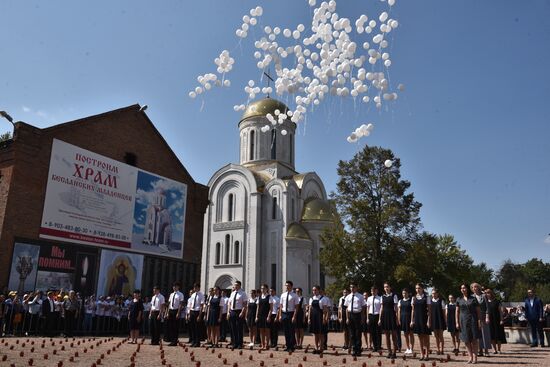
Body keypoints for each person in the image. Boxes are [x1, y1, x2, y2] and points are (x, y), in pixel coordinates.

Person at [457, 283, 481, 364]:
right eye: (461, 288)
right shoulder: (459, 299)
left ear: (467, 289)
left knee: (474, 339)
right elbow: (457, 312)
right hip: (463, 321)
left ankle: (475, 357)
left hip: (473, 320)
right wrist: (457, 322)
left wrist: (479, 321)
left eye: (464, 288)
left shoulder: (473, 299)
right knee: (466, 340)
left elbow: (478, 311)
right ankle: (470, 357)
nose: (463, 289)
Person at [278, 281, 300, 352]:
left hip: (291, 313)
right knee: (286, 331)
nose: (287, 287)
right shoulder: (283, 295)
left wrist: (294, 316)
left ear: (291, 286)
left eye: (288, 285)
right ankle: (287, 346)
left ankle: (291, 346)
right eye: (286, 285)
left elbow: (296, 307)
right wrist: (280, 315)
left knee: (291, 331)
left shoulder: (294, 295)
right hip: (284, 313)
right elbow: (281, 306)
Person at [410, 283, 431, 361]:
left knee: (426, 338)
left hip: (425, 319)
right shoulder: (413, 298)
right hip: (417, 320)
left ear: (422, 289)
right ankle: (421, 354)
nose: (417, 290)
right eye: (416, 288)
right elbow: (413, 310)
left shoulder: (427, 297)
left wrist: (429, 321)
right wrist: (412, 320)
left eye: (419, 288)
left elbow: (429, 310)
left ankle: (427, 355)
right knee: (419, 338)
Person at [379, 282, 399, 359]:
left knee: (394, 335)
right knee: (387, 336)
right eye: (385, 287)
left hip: (392, 316)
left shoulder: (394, 295)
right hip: (385, 316)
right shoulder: (382, 296)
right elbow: (381, 308)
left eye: (387, 287)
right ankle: (389, 352)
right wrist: (380, 319)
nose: (386, 288)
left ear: (390, 287)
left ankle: (394, 353)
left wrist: (397, 319)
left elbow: (396, 308)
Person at [345, 283, 365, 357]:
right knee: (352, 333)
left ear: (356, 288)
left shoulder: (360, 296)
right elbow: (347, 308)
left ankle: (358, 349)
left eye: (353, 287)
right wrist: (347, 318)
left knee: (358, 333)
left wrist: (362, 318)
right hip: (350, 315)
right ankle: (354, 349)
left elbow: (363, 307)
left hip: (358, 315)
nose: (352, 289)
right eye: (351, 287)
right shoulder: (348, 296)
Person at [308, 285, 329, 354]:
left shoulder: (323, 298)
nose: (314, 291)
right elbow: (310, 309)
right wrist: (309, 318)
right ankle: (316, 347)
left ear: (319, 290)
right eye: (313, 290)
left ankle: (321, 347)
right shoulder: (311, 298)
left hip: (320, 316)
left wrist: (324, 318)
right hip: (313, 316)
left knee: (321, 333)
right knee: (315, 333)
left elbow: (325, 310)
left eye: (315, 290)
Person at [471, 283, 491, 357]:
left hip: (483, 316)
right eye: (473, 287)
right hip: (475, 317)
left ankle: (486, 350)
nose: (474, 288)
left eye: (476, 287)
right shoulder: (471, 297)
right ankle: (480, 350)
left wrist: (487, 316)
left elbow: (487, 307)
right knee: (477, 334)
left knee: (484, 333)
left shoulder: (484, 296)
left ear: (478, 288)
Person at [227, 280, 248, 349]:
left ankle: (240, 344)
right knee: (233, 328)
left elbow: (245, 304)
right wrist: (228, 311)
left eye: (236, 285)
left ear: (239, 286)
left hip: (239, 312)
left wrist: (242, 312)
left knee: (239, 328)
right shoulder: (232, 293)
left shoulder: (243, 293)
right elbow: (229, 303)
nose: (235, 286)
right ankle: (235, 343)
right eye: (235, 285)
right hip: (232, 311)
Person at [485, 288, 506, 353]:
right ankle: (494, 349)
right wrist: (487, 318)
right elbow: (486, 312)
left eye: (488, 293)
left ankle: (499, 349)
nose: (487, 294)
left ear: (491, 293)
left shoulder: (497, 301)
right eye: (486, 293)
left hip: (497, 319)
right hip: (490, 320)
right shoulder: (486, 302)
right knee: (492, 335)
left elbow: (500, 311)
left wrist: (501, 319)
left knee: (498, 335)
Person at [256, 284, 274, 350]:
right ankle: (262, 344)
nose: (262, 290)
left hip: (266, 316)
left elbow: (271, 308)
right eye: (261, 288)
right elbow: (258, 307)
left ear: (267, 289)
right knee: (261, 331)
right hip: (260, 316)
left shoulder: (269, 297)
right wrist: (256, 316)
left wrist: (269, 316)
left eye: (264, 288)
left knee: (267, 331)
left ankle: (267, 344)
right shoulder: (259, 297)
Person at [166, 282, 184, 346]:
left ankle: (175, 341)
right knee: (171, 326)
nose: (174, 287)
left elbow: (180, 304)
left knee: (175, 326)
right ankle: (172, 340)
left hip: (176, 310)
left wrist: (178, 313)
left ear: (178, 287)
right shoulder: (171, 294)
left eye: (175, 286)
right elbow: (169, 304)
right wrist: (167, 312)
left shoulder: (180, 294)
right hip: (171, 310)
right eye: (173, 286)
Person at [187, 283, 205, 347]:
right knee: (193, 327)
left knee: (197, 328)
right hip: (192, 311)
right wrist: (189, 313)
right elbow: (190, 304)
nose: (195, 288)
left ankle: (197, 342)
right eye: (194, 287)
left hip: (197, 312)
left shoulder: (201, 295)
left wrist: (199, 315)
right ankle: (193, 341)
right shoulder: (193, 295)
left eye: (196, 287)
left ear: (198, 288)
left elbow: (201, 305)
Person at [398, 288, 414, 355]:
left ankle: (411, 348)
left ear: (408, 293)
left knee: (411, 334)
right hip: (403, 319)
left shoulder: (411, 300)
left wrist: (412, 321)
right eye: (403, 293)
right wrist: (399, 320)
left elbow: (413, 310)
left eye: (405, 293)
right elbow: (399, 311)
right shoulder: (400, 301)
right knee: (405, 334)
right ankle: (407, 348)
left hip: (409, 319)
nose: (404, 294)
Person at [431, 288, 446, 355]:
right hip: (433, 320)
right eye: (432, 293)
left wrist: (445, 321)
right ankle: (438, 349)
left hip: (440, 320)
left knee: (441, 336)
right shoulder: (430, 302)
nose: (433, 294)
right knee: (436, 336)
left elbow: (444, 312)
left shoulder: (441, 301)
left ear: (437, 294)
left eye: (434, 293)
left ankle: (442, 349)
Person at [366, 285, 382, 351]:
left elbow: (381, 308)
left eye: (374, 291)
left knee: (378, 332)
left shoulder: (380, 298)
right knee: (372, 332)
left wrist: (380, 319)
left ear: (377, 291)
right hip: (371, 315)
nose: (373, 292)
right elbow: (368, 308)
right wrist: (367, 318)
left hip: (377, 315)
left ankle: (378, 346)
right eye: (372, 291)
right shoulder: (369, 298)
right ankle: (375, 346)